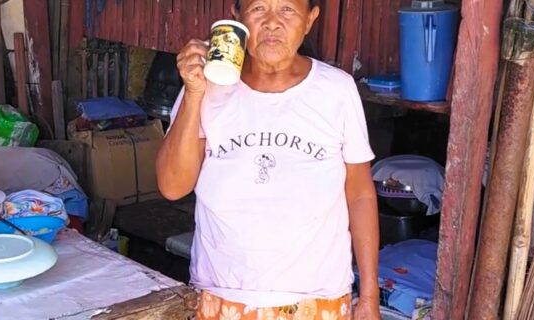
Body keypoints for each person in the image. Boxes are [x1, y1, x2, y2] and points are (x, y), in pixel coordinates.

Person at [155, 0, 381, 319]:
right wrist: (193, 92)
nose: (273, 23)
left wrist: (369, 296)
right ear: (238, 17)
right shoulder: (207, 86)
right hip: (221, 295)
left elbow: (359, 194)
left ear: (309, 20)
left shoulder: (336, 90)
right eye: (259, 8)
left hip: (317, 301)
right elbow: (172, 186)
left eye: (287, 10)